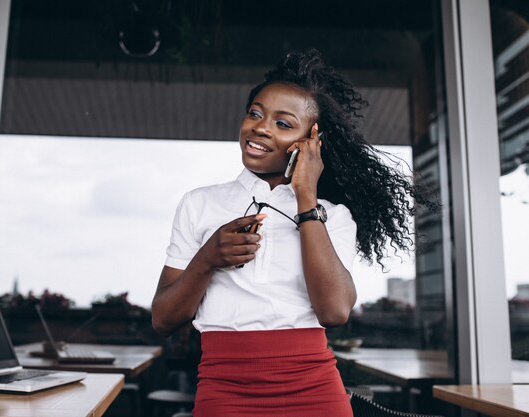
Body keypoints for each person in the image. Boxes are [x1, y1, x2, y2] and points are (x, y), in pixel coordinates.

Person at [152, 49, 432, 417]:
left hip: (313, 390)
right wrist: (207, 259)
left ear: (311, 139)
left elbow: (333, 311)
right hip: (223, 388)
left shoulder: (332, 216)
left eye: (283, 124)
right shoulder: (199, 204)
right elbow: (163, 319)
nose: (261, 127)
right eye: (255, 113)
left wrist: (306, 198)